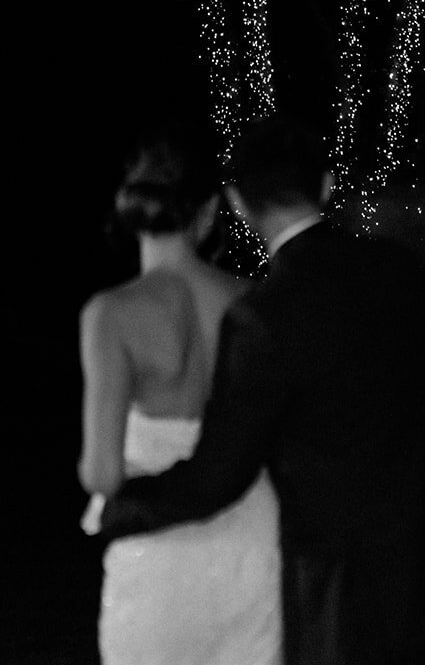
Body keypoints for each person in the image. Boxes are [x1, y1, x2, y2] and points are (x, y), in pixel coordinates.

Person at [98, 115, 425, 665]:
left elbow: (220, 473)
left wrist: (125, 509)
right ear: (326, 185)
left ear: (235, 203)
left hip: (347, 591)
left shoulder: (266, 316)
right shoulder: (402, 268)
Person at [79, 127, 283, 665]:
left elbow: (101, 474)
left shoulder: (111, 315)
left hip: (158, 549)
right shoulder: (252, 299)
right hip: (247, 534)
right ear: (210, 211)